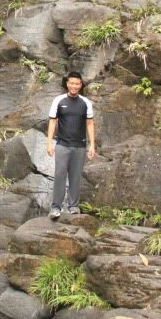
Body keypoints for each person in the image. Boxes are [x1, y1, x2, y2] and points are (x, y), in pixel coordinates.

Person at [47, 71, 95, 219]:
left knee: (75, 176)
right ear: (67, 84)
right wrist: (49, 142)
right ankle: (55, 208)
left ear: (80, 85)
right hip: (62, 144)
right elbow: (52, 121)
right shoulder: (59, 101)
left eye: (77, 83)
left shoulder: (85, 103)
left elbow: (90, 123)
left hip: (80, 146)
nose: (74, 86)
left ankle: (73, 206)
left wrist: (92, 144)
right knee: (60, 175)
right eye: (71, 83)